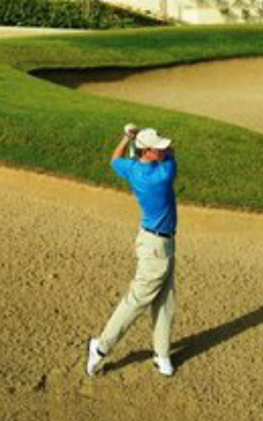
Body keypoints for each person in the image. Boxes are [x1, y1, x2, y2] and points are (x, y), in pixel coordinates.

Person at [86, 124, 178, 378]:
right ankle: (101, 347)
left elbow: (115, 159)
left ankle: (161, 353)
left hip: (159, 242)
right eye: (157, 148)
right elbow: (173, 153)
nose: (164, 150)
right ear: (146, 151)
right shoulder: (164, 174)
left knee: (165, 299)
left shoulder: (132, 168)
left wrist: (127, 137)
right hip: (155, 247)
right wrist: (137, 140)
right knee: (138, 299)